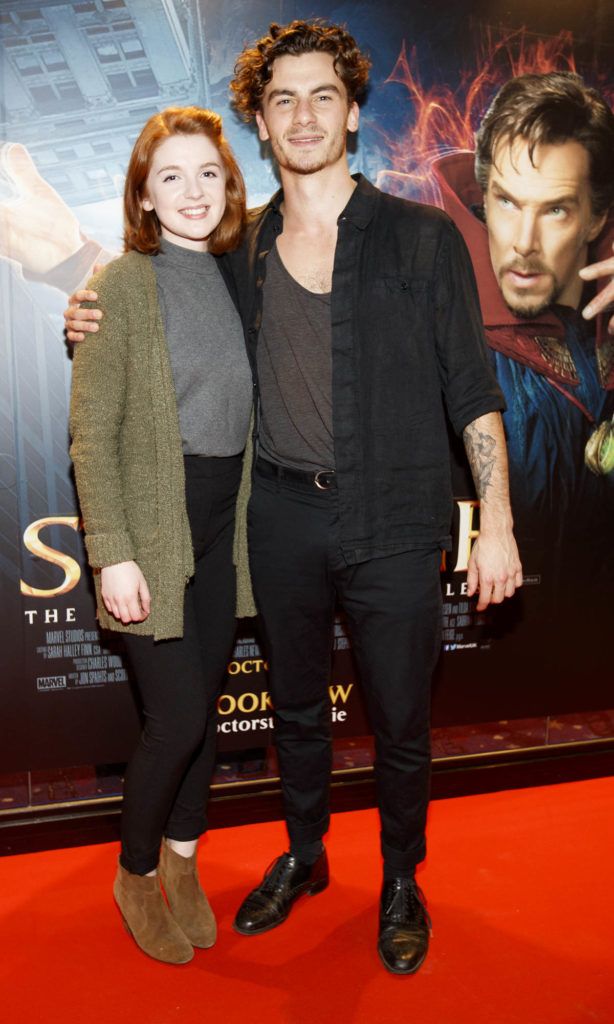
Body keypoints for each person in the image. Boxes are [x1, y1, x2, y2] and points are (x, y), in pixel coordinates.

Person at [66, 20, 522, 976]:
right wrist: (87, 306)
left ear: (354, 112)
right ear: (262, 128)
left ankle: (402, 880)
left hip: (396, 519)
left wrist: (499, 526)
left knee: (401, 716)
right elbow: (154, 295)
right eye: (282, 101)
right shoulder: (242, 248)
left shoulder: (425, 237)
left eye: (323, 95)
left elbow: (473, 393)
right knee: (298, 710)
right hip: (275, 518)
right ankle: (305, 855)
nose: (304, 114)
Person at [69, 106, 255, 966]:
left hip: (224, 532)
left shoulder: (240, 271)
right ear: (144, 191)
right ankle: (135, 872)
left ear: (229, 184)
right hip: (151, 528)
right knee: (175, 719)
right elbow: (91, 435)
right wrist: (112, 551)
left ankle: (184, 861)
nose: (192, 191)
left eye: (208, 173)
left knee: (202, 714)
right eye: (171, 175)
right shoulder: (118, 287)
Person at [430, 72, 614, 684]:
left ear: (595, 219)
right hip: (483, 666)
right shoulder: (436, 310)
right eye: (505, 202)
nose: (524, 244)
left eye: (556, 209)